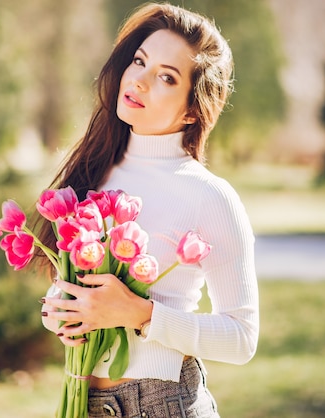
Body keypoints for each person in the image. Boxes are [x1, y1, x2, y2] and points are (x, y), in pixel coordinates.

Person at [38, 3, 259, 417]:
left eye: (166, 77)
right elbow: (69, 291)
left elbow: (242, 338)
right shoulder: (94, 171)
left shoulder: (209, 196)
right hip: (83, 399)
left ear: (193, 109)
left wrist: (142, 314)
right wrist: (60, 310)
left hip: (162, 404)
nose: (138, 79)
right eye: (139, 61)